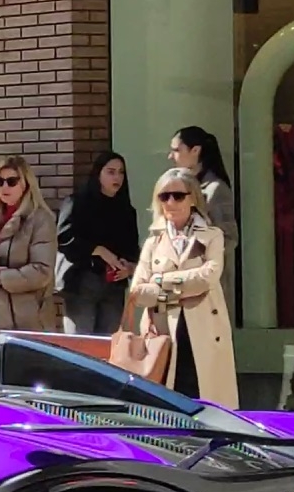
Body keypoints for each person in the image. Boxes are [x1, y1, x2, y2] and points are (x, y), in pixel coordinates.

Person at [127, 167, 237, 405]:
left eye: (178, 195)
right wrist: (181, 290)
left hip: (204, 331)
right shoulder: (153, 241)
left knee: (206, 402)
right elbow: (137, 292)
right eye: (163, 196)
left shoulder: (212, 236)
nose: (170, 202)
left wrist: (160, 282)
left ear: (193, 198)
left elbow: (208, 277)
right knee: (167, 403)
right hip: (163, 333)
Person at [0, 155, 59, 334]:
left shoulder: (40, 219)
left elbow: (42, 272)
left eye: (11, 181)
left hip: (31, 321)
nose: (4, 187)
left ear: (25, 184)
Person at [56, 152, 137, 335]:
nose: (117, 177)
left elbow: (132, 249)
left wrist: (129, 267)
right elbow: (64, 238)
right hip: (83, 281)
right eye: (110, 172)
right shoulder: (77, 202)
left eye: (121, 172)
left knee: (108, 345)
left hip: (114, 285)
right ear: (98, 174)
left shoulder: (126, 210)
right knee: (81, 344)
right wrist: (97, 250)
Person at [168, 126, 237, 247]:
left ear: (195, 150)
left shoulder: (215, 189)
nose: (170, 156)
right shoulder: (181, 185)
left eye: (177, 150)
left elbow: (228, 238)